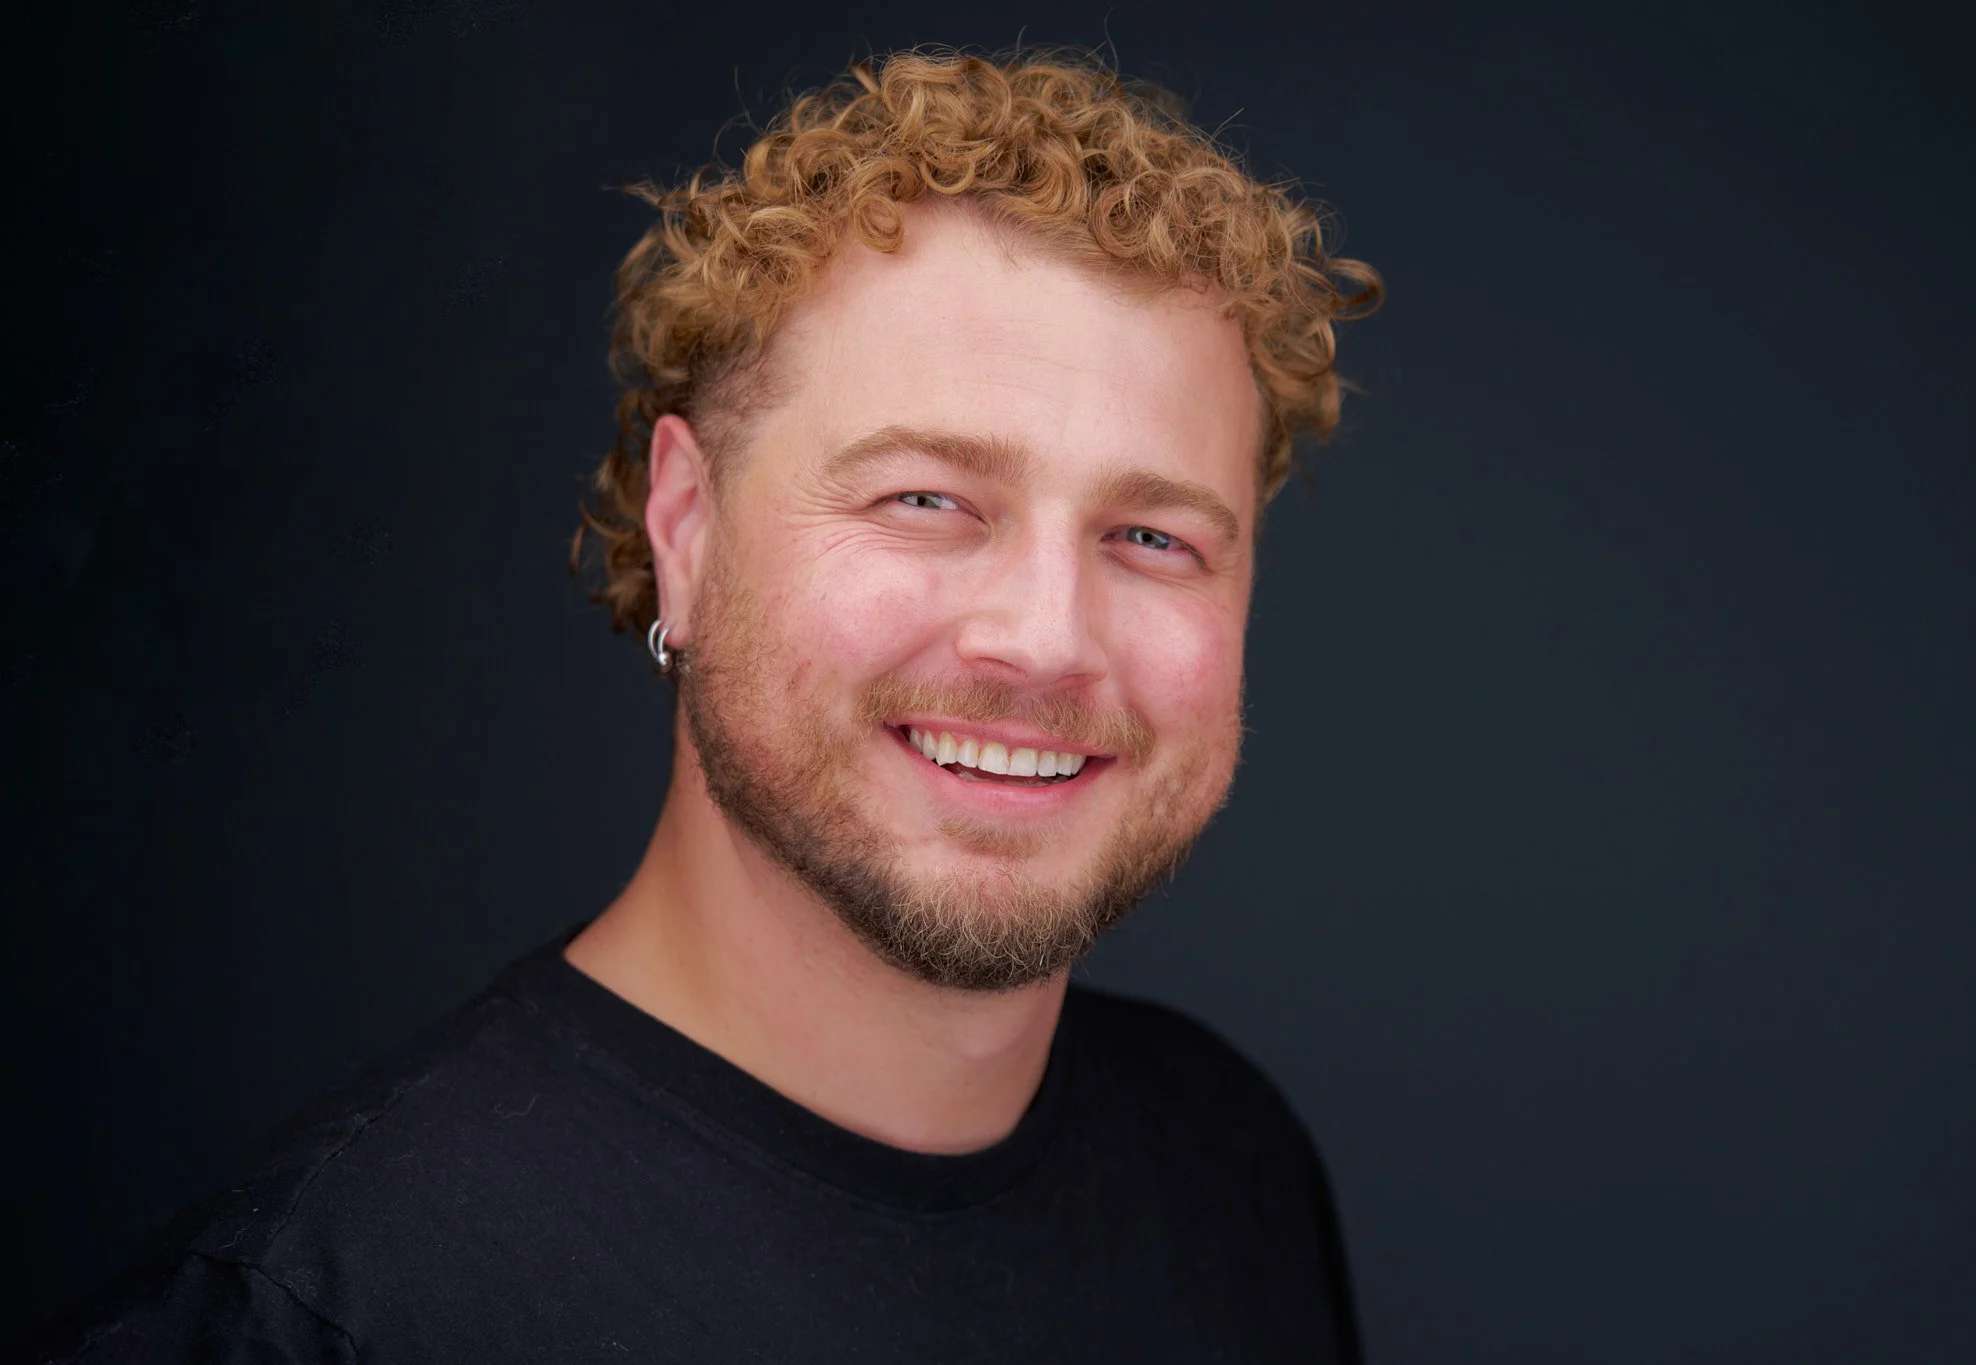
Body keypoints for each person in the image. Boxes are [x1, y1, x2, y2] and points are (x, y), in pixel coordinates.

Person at [28, 47, 1382, 1363]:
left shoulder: (1227, 1164)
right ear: (686, 527)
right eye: (926, 499)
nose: (1044, 641)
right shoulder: (327, 1315)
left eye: (1154, 537)